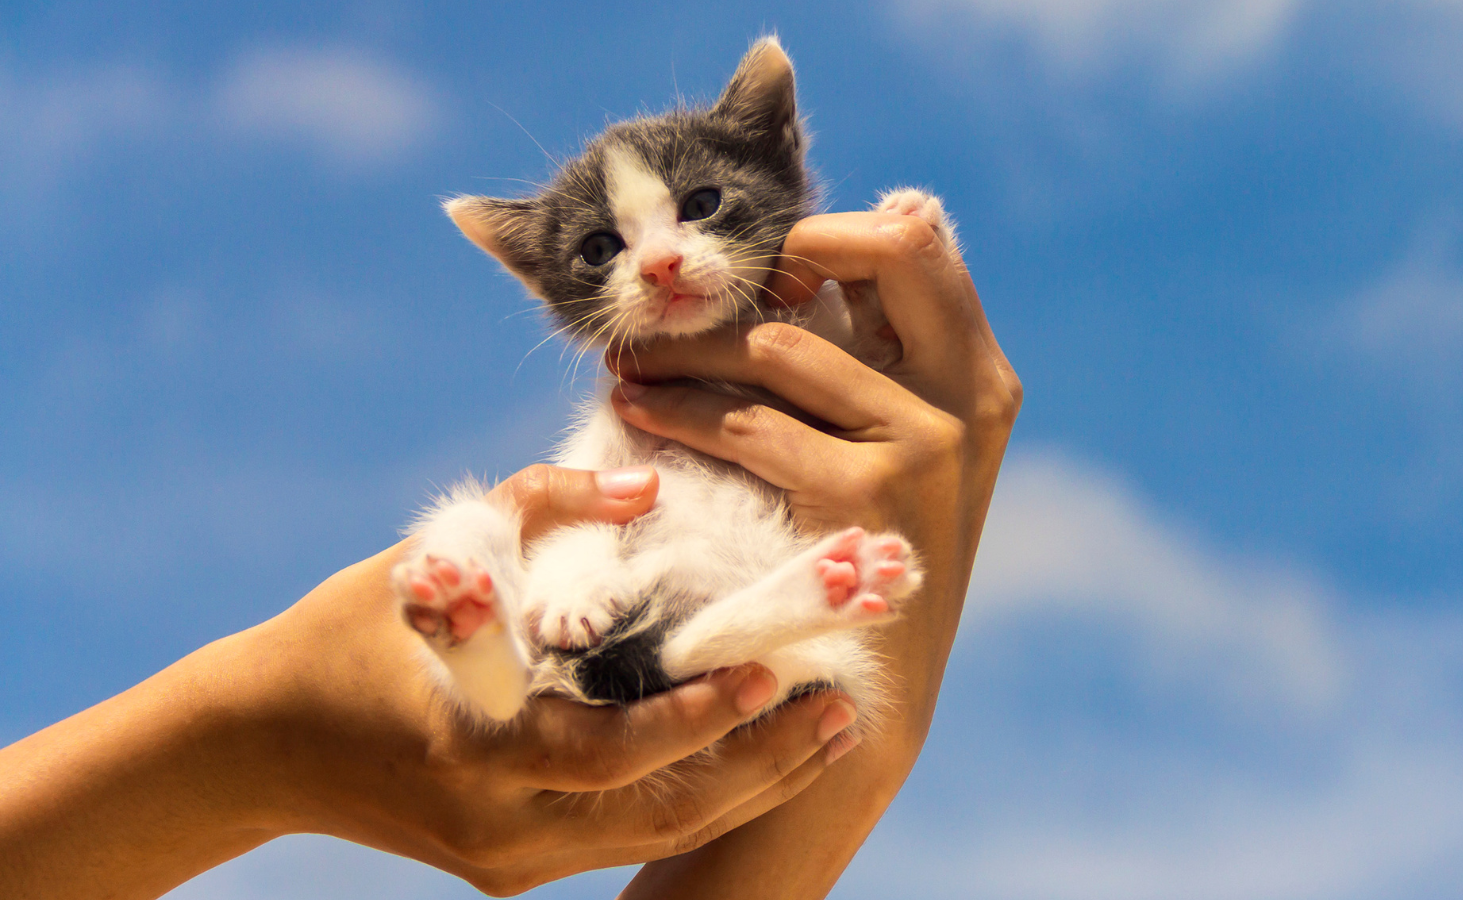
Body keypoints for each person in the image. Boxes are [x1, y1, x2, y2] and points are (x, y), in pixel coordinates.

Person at [0, 209, 1021, 900]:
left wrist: (262, 740)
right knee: (507, 576)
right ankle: (579, 642)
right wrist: (264, 732)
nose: (661, 260)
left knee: (491, 552)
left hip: (669, 617)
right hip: (651, 614)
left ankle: (561, 642)